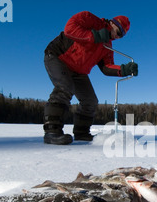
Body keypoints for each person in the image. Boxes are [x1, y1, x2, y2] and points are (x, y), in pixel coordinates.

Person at [43, 11, 138, 145]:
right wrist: (94, 36)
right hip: (59, 57)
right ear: (112, 23)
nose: (118, 36)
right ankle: (52, 131)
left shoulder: (107, 46)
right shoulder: (89, 19)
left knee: (90, 100)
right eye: (118, 31)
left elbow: (107, 67)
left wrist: (124, 70)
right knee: (64, 88)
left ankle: (82, 133)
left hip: (79, 71)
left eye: (121, 35)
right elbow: (69, 29)